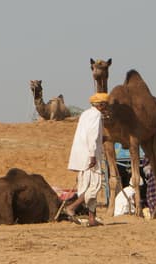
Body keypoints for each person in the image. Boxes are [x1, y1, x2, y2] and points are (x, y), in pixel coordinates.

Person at [63, 92, 110, 227]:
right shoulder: (96, 115)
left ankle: (91, 218)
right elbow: (92, 135)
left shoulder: (86, 114)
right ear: (101, 105)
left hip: (83, 155)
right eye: (105, 104)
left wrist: (103, 139)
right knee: (93, 187)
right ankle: (72, 208)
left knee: (87, 187)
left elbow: (90, 135)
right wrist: (93, 155)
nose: (106, 107)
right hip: (90, 156)